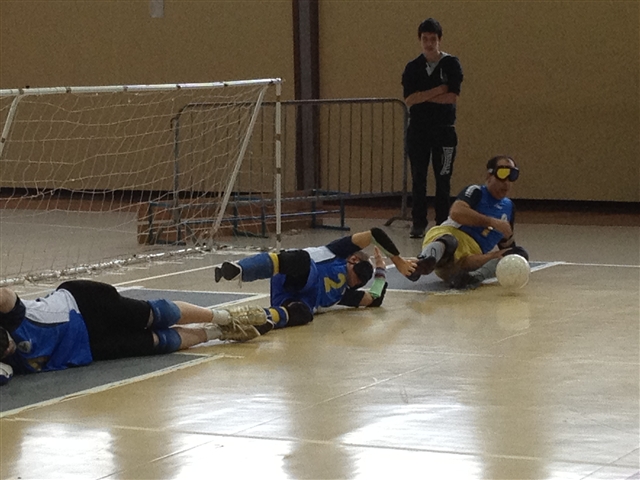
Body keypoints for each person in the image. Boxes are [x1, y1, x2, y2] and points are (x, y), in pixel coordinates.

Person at [0, 280, 270, 385]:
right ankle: (218, 333)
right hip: (86, 348)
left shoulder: (13, 315)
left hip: (84, 305)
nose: (9, 348)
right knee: (157, 342)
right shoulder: (5, 365)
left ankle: (225, 316)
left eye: (6, 341)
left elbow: (5, 295)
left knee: (156, 315)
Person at [214, 228, 416, 329]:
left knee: (303, 314)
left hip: (292, 299)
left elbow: (374, 298)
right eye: (360, 275)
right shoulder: (337, 252)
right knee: (302, 261)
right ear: (353, 259)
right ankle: (241, 269)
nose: (358, 282)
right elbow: (375, 234)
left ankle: (260, 319)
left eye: (362, 282)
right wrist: (397, 261)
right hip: (295, 272)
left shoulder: (343, 294)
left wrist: (381, 271)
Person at [407, 155, 529, 287]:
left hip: (471, 258)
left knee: (517, 254)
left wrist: (509, 244)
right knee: (449, 242)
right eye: (502, 174)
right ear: (489, 175)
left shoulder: (509, 208)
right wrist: (491, 222)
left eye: (512, 175)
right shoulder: (476, 192)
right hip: (450, 241)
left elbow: (506, 244)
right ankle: (424, 261)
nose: (506, 182)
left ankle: (472, 278)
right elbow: (456, 212)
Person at [402, 17, 464, 238]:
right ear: (420, 40)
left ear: (439, 40)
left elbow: (452, 97)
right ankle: (418, 222)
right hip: (418, 131)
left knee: (443, 178)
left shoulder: (451, 64)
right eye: (425, 39)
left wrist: (424, 96)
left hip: (444, 131)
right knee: (418, 178)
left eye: (433, 39)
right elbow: (410, 99)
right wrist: (439, 89)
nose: (429, 43)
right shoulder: (412, 67)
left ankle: (442, 223)